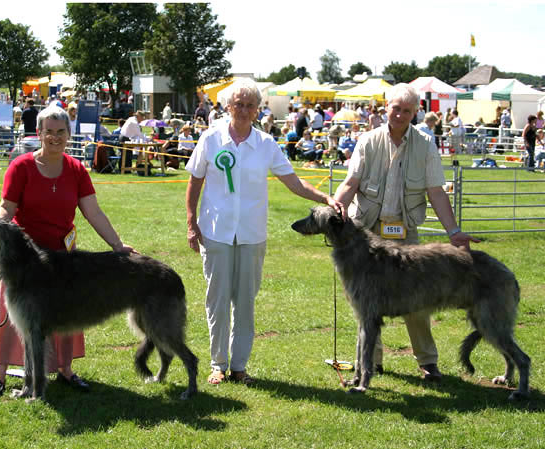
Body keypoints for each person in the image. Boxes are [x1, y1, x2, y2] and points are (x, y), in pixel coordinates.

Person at [185, 78, 343, 386]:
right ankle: (218, 364)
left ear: (258, 110)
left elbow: (294, 183)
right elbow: (195, 181)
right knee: (216, 300)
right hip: (216, 232)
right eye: (238, 104)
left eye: (250, 106)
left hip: (251, 234)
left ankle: (239, 366)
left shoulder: (267, 144)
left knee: (245, 301)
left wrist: (325, 198)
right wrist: (192, 223)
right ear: (228, 106)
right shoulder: (211, 139)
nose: (243, 110)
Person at [0, 106, 135, 396]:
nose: (55, 137)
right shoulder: (20, 166)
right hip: (24, 259)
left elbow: (93, 212)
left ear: (68, 135)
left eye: (61, 132)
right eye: (49, 131)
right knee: (15, 317)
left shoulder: (76, 169)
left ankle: (66, 370)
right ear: (39, 133)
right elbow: (6, 207)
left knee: (67, 312)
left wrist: (117, 246)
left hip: (62, 260)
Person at [334, 83, 479, 382]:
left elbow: (436, 192)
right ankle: (371, 362)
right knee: (365, 303)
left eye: (407, 111)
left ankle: (427, 361)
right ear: (386, 108)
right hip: (368, 234)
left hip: (405, 235)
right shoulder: (369, 141)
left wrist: (453, 231)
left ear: (416, 113)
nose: (400, 115)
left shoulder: (425, 145)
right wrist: (337, 209)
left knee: (416, 298)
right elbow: (351, 183)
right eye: (396, 108)